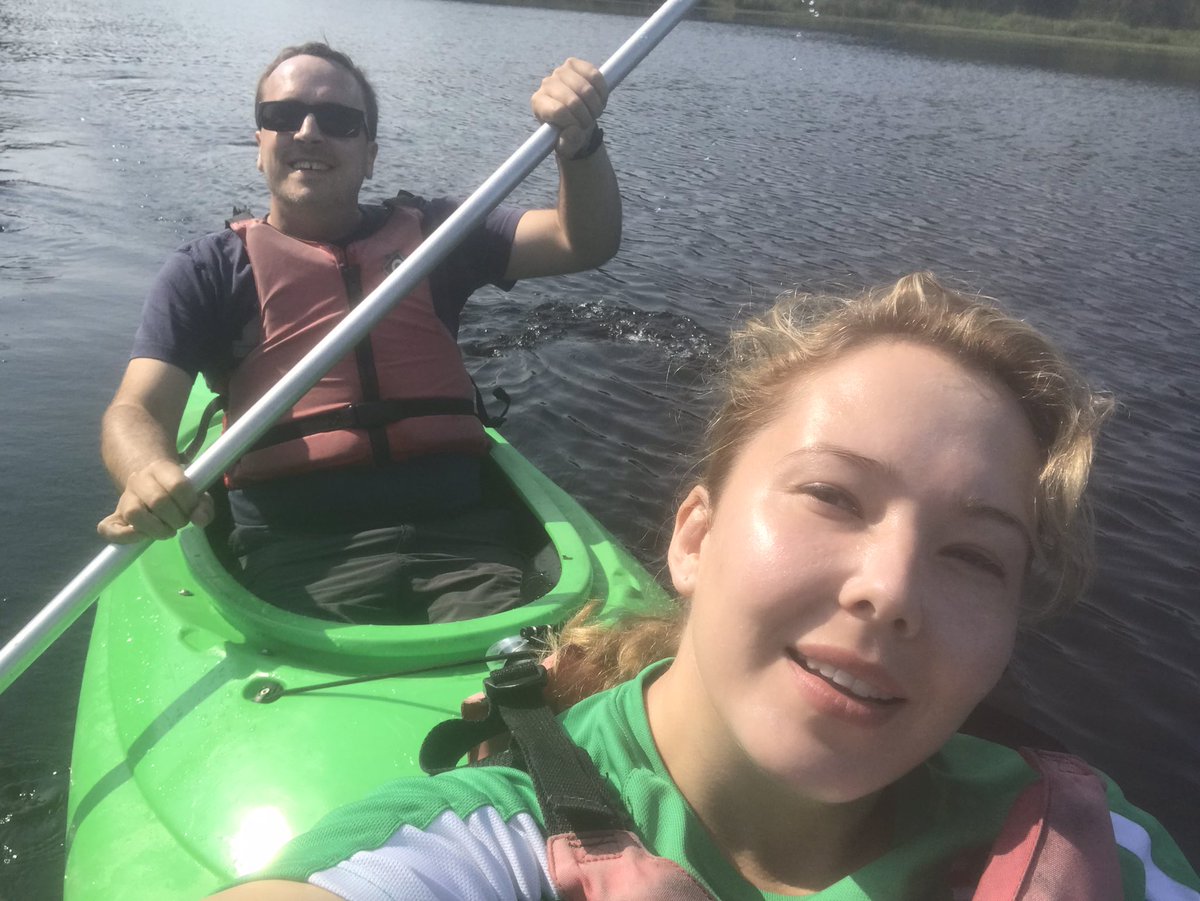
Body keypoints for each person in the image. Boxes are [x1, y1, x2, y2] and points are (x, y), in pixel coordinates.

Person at [206, 272, 1199, 899]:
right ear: (693, 536)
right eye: (833, 495)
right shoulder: (484, 846)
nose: (891, 589)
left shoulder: (1102, 852)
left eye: (976, 556)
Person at [96, 42, 622, 624]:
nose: (309, 132)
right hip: (300, 551)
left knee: (518, 696)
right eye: (282, 116)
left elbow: (585, 240)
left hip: (460, 539)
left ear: (370, 155)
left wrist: (580, 142)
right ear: (259, 145)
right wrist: (146, 471)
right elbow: (134, 411)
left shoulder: (438, 235)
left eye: (340, 121)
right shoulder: (209, 270)